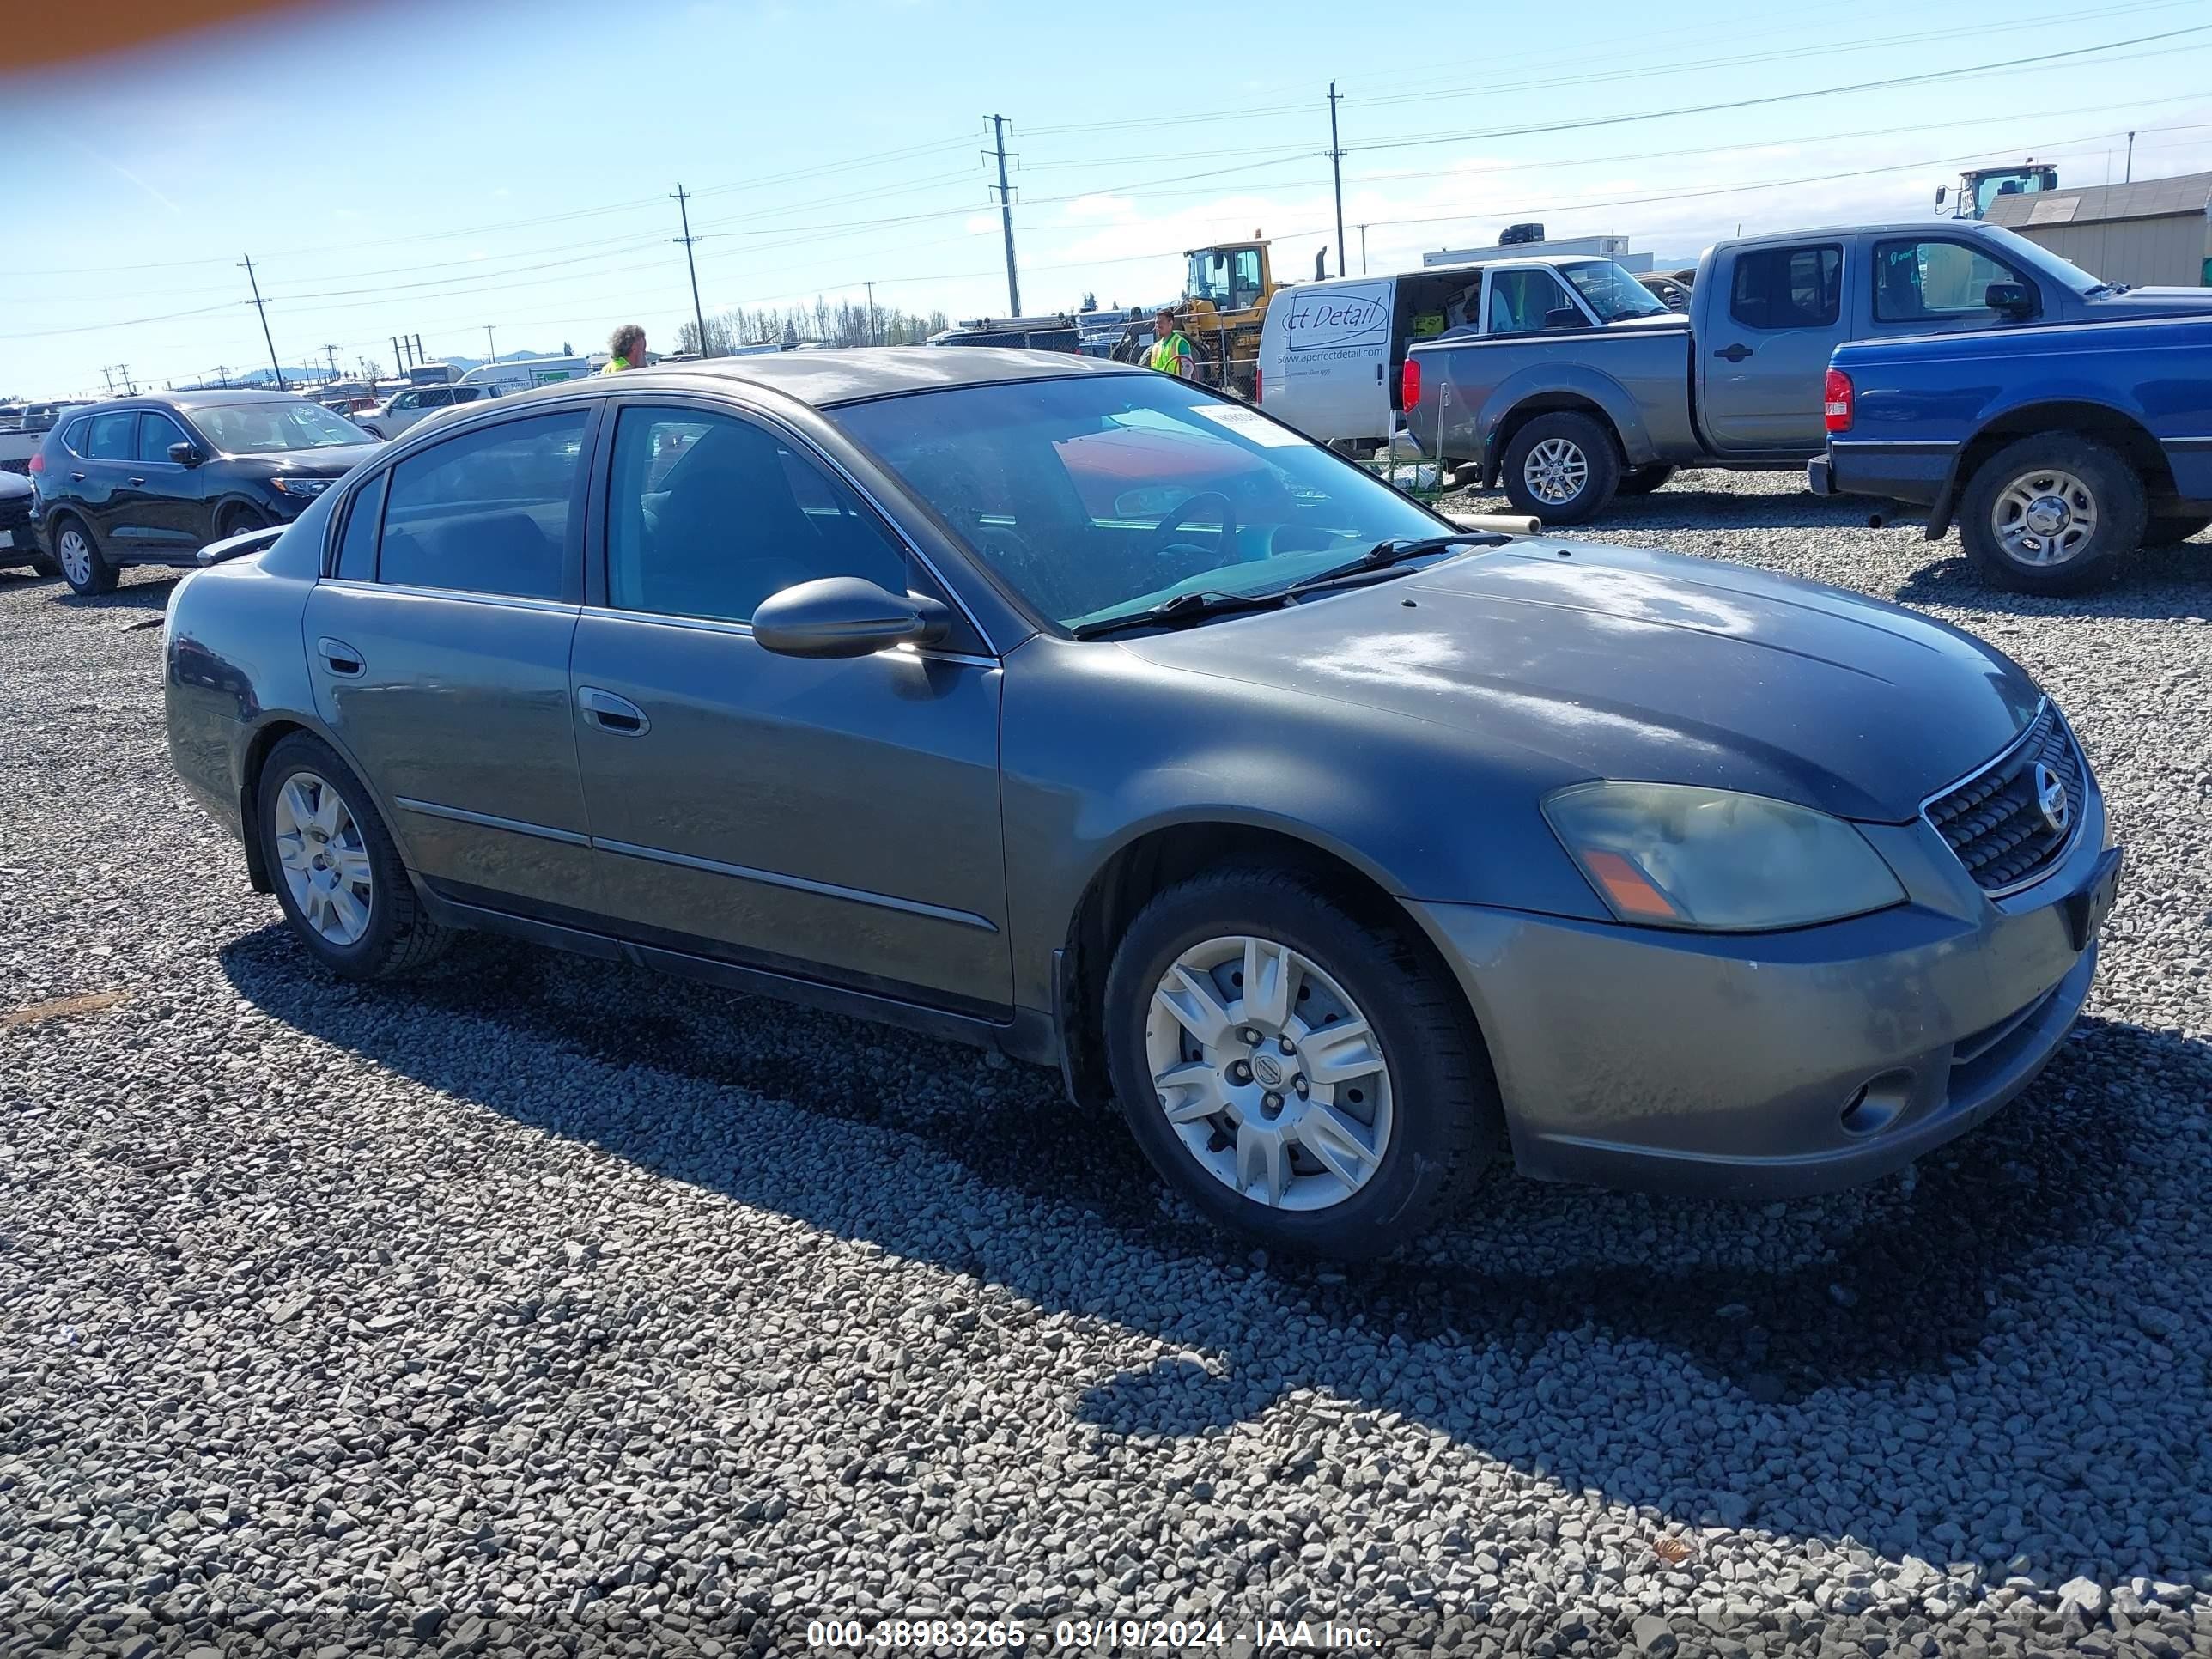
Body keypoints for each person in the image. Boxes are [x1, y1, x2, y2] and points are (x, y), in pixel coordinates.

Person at [1144, 308, 1194, 377]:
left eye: (1161, 322)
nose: (1157, 326)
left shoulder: (1180, 343)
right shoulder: (1155, 347)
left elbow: (1188, 368)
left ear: (1170, 323)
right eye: (1156, 322)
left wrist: (1180, 383)